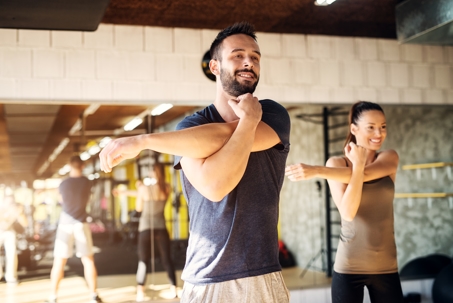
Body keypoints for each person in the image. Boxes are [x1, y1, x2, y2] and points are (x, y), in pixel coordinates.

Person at [99, 21, 291, 303]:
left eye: (255, 57)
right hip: (206, 277)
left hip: (263, 276)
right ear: (214, 67)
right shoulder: (191, 127)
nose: (248, 61)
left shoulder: (272, 114)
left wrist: (144, 141)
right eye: (238, 55)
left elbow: (223, 136)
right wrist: (249, 122)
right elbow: (215, 186)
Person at [285, 101, 404, 303]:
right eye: (371, 127)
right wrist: (356, 166)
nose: (379, 133)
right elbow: (348, 213)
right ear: (354, 129)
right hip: (349, 267)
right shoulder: (336, 164)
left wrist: (316, 170)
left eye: (383, 127)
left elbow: (365, 174)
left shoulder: (389, 157)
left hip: (386, 267)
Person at [114, 162, 177, 301]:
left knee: (143, 261)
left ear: (154, 172)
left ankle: (140, 293)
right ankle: (174, 289)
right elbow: (145, 192)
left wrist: (140, 188)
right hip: (161, 228)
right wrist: (126, 192)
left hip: (146, 228)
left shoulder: (144, 189)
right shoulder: (166, 187)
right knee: (167, 259)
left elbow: (139, 208)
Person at [45, 155, 103, 303]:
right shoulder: (87, 182)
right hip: (81, 223)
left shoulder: (63, 184)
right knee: (88, 260)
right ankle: (93, 296)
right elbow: (89, 197)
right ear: (82, 166)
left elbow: (61, 200)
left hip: (65, 223)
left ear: (70, 165)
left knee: (59, 261)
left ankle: (53, 296)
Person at [0, 194, 28, 285]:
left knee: (12, 253)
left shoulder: (16, 209)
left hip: (9, 231)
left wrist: (20, 213)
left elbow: (25, 224)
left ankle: (11, 277)